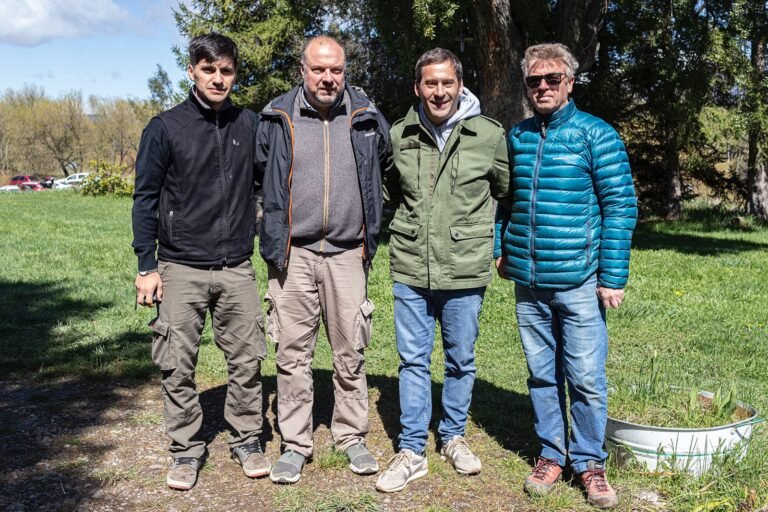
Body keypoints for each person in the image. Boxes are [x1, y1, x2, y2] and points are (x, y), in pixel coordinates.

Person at [494, 43, 637, 509]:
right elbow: (503, 201)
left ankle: (590, 463)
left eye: (552, 79)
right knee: (541, 374)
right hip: (528, 283)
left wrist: (612, 276)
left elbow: (620, 206)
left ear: (570, 83)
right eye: (534, 80)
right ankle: (553, 454)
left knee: (586, 377)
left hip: (578, 280)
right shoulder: (517, 137)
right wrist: (502, 249)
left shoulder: (596, 135)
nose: (542, 87)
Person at [132, 33, 269, 491]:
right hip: (179, 267)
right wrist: (146, 265)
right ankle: (186, 450)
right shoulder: (165, 127)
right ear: (192, 71)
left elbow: (264, 186)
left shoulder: (250, 124)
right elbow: (145, 198)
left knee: (248, 360)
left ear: (235, 74)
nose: (218, 78)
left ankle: (248, 439)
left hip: (236, 268)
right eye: (208, 69)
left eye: (226, 70)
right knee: (177, 364)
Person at [375, 48, 512, 493]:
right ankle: (412, 448)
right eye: (430, 83)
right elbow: (392, 191)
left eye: (446, 83)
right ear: (418, 88)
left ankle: (453, 436)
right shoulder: (400, 135)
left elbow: (505, 192)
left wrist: (495, 243)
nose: (439, 91)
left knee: (460, 360)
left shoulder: (488, 136)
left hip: (465, 269)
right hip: (412, 266)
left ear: (459, 85)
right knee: (412, 360)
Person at [255, 35, 390, 484]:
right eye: (319, 69)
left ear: (345, 71)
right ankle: (295, 444)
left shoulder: (366, 116)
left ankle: (351, 435)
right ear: (302, 70)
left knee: (351, 349)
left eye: (335, 70)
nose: (327, 78)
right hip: (292, 255)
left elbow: (385, 171)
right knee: (292, 353)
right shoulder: (277, 116)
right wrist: (269, 223)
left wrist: (370, 217)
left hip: (348, 253)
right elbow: (258, 179)